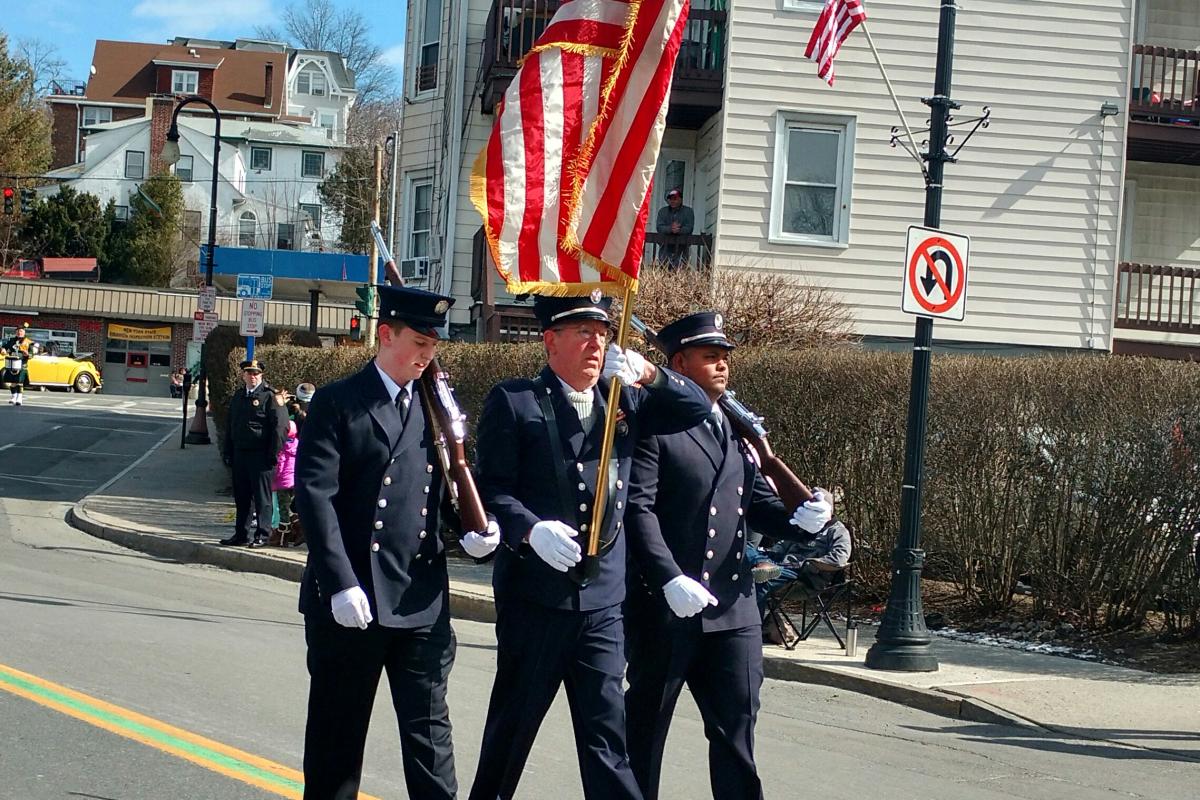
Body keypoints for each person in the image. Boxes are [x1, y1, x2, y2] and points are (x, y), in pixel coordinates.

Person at [468, 293, 711, 800]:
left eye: (602, 333)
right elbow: (493, 489)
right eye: (582, 332)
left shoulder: (622, 397)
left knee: (607, 742)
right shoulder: (516, 400)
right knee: (511, 735)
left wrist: (650, 374)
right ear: (550, 340)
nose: (596, 343)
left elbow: (695, 405)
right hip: (537, 601)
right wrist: (531, 529)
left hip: (602, 602)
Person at [295, 284, 501, 800]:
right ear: (385, 335)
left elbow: (445, 486)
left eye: (433, 345)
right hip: (353, 602)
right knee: (336, 746)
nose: (427, 354)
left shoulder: (435, 405)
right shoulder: (339, 402)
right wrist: (339, 582)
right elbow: (315, 498)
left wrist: (476, 530)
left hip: (420, 602)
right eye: (418, 342)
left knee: (431, 742)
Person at [624, 311, 832, 800]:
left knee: (736, 733)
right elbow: (639, 509)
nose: (722, 366)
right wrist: (668, 576)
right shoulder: (655, 425)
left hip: (732, 607)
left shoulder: (736, 428)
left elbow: (755, 502)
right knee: (645, 733)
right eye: (709, 357)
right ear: (678, 364)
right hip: (668, 607)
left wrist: (800, 521)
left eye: (725, 358)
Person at [221, 359, 288, 548]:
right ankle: (241, 534)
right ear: (243, 375)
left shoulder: (270, 397)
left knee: (262, 499)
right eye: (249, 373)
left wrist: (273, 454)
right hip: (240, 454)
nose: (252, 376)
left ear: (261, 375)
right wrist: (228, 451)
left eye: (256, 373)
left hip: (261, 456)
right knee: (242, 498)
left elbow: (280, 428)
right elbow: (231, 426)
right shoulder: (239, 396)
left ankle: (263, 535)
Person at [748, 508, 852, 621]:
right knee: (746, 550)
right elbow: (782, 546)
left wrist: (809, 564)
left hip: (804, 576)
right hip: (781, 565)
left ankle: (751, 625)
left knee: (760, 580)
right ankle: (763, 565)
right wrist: (768, 554)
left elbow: (839, 559)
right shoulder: (804, 525)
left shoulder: (837, 531)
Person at [270, 417, 299, 546]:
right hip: (293, 482)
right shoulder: (296, 445)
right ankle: (297, 524)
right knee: (289, 507)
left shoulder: (283, 448)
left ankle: (282, 537)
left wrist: (274, 477)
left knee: (283, 510)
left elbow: (280, 466)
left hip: (282, 483)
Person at [654, 188, 695, 268]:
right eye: (670, 199)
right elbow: (659, 227)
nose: (672, 201)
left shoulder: (688, 211)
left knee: (680, 270)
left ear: (680, 199)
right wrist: (670, 229)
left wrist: (679, 230)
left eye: (675, 199)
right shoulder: (663, 211)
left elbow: (689, 228)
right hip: (665, 247)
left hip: (682, 247)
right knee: (664, 268)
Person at [1, 323, 35, 406]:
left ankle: (19, 398)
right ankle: (13, 397)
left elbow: (32, 354)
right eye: (18, 331)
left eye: (21, 331)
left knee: (19, 382)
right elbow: (4, 348)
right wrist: (3, 350)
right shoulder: (12, 340)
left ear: (24, 332)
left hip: (22, 363)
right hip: (11, 363)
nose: (19, 333)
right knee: (12, 382)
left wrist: (27, 354)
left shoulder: (29, 342)